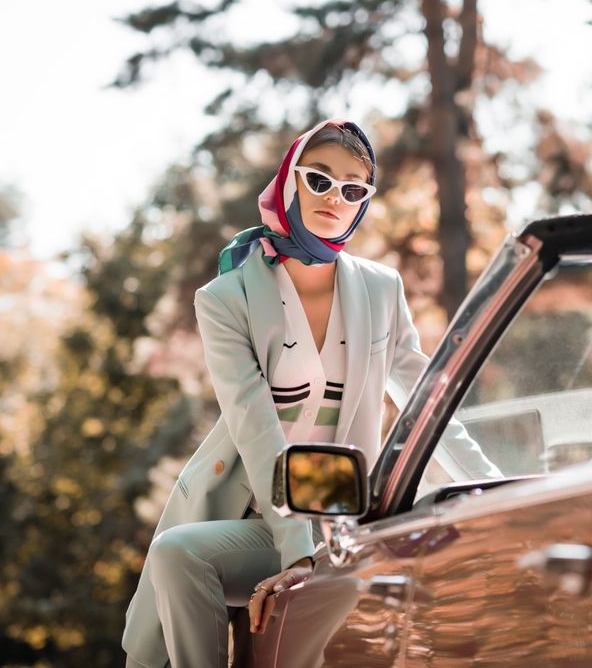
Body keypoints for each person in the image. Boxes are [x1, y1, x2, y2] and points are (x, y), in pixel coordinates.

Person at [121, 120, 494, 668]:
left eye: (352, 189)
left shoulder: (381, 287)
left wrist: (494, 488)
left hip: (342, 524)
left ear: (363, 203)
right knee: (176, 553)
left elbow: (427, 404)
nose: (333, 197)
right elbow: (256, 427)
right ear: (289, 179)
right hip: (253, 519)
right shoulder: (226, 298)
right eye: (318, 179)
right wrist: (296, 552)